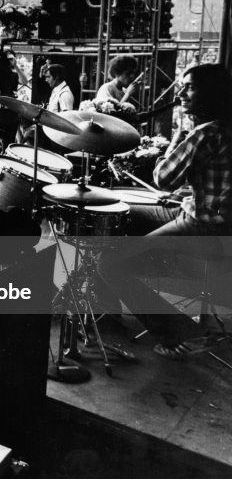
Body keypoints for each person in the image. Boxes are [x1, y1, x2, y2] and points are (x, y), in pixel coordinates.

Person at [98, 64, 232, 359]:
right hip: (207, 215)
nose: (182, 93)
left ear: (211, 94)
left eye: (190, 87)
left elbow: (162, 177)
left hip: (201, 225)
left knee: (109, 263)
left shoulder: (205, 134)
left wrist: (181, 133)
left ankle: (182, 333)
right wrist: (186, 194)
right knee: (126, 209)